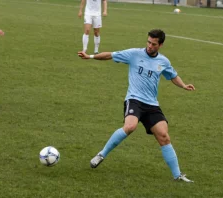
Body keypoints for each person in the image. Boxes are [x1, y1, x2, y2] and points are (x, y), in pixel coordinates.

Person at [77, 29, 195, 182]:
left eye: (153, 44)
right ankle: (101, 154)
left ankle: (177, 176)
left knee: (164, 137)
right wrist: (90, 56)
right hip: (134, 100)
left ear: (160, 45)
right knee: (130, 126)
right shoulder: (134, 54)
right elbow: (110, 55)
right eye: (148, 42)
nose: (149, 46)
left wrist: (184, 85)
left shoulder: (163, 62)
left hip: (152, 104)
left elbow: (172, 75)